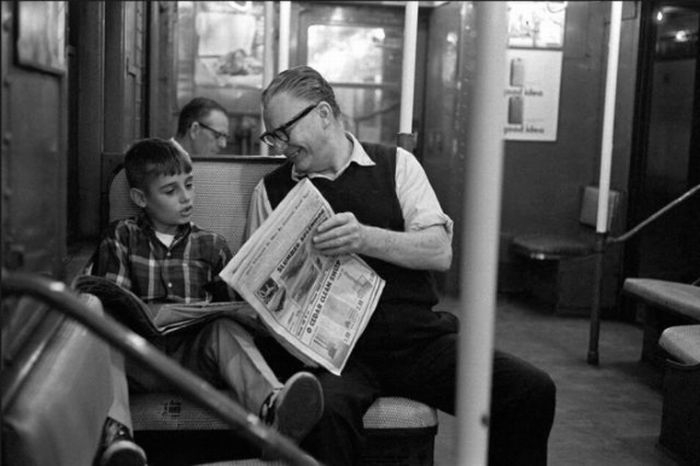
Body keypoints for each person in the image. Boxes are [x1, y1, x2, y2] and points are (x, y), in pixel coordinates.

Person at [247, 65, 556, 466]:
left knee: (531, 390)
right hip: (336, 359)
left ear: (323, 114)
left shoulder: (397, 166)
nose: (279, 146)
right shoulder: (270, 191)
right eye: (272, 136)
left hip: (416, 342)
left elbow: (439, 250)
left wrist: (366, 238)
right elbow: (258, 293)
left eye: (284, 131)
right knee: (321, 413)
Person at [91, 137, 323, 465]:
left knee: (226, 327)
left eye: (189, 185)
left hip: (193, 359)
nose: (186, 198)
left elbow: (231, 305)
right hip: (139, 358)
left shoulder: (211, 244)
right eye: (170, 191)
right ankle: (118, 442)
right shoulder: (122, 236)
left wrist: (254, 304)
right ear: (140, 198)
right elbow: (113, 301)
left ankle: (274, 409)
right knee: (108, 338)